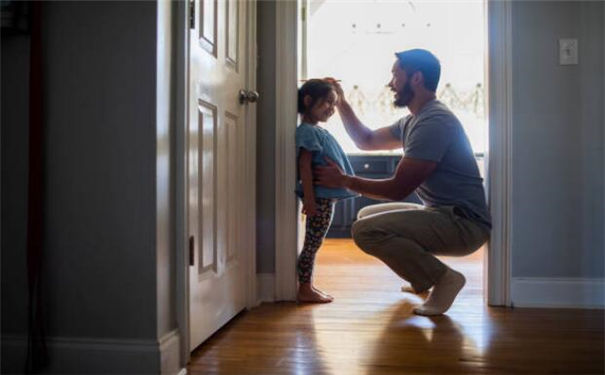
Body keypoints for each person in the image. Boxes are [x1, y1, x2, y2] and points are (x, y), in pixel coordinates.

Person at [315, 49, 491, 315]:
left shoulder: (434, 121)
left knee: (365, 230)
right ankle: (421, 278)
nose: (391, 84)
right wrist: (341, 102)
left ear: (416, 78)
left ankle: (444, 279)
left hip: (463, 225)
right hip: (442, 214)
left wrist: (344, 180)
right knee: (366, 215)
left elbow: (398, 189)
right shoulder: (414, 120)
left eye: (396, 75)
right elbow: (367, 140)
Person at [295, 79, 357, 303]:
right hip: (319, 199)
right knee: (313, 243)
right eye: (327, 103)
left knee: (314, 242)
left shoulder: (316, 131)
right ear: (309, 100)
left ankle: (307, 285)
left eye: (334, 103)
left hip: (324, 198)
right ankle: (304, 288)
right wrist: (310, 200)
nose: (331, 108)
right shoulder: (308, 131)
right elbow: (304, 166)